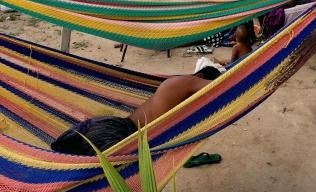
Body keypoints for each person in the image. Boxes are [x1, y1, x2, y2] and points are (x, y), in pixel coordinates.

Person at [51, 73, 212, 156]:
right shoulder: (186, 83)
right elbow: (222, 86)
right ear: (201, 77)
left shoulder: (175, 88)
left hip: (114, 128)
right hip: (121, 136)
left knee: (76, 171)